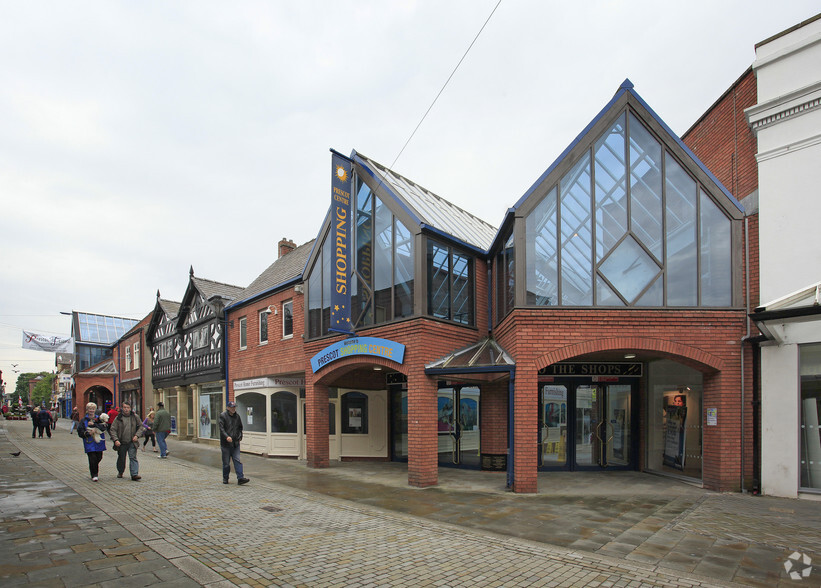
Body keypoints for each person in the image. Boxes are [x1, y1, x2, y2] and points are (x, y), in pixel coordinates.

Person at [109, 401, 145, 481]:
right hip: (122, 442)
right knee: (121, 458)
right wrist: (116, 440)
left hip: (132, 441)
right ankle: (120, 471)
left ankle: (134, 474)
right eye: (124, 407)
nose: (126, 409)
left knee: (133, 457)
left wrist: (137, 435)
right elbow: (113, 429)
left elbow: (141, 427)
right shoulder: (118, 418)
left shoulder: (135, 417)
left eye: (128, 408)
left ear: (130, 408)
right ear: (122, 408)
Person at [218, 401, 249, 485]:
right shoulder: (223, 416)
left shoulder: (237, 417)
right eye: (231, 407)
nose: (233, 409)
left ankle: (240, 478)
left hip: (235, 443)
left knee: (237, 460)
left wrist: (240, 437)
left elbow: (240, 428)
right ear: (228, 408)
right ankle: (225, 478)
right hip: (226, 444)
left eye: (234, 407)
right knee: (226, 463)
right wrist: (226, 437)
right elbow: (221, 429)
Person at [78, 402, 107, 481]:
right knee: (92, 458)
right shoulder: (84, 420)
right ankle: (94, 474)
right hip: (89, 442)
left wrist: (94, 425)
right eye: (90, 409)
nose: (91, 410)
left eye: (93, 409)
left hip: (99, 442)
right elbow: (80, 431)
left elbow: (103, 427)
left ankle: (93, 467)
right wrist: (87, 433)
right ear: (87, 410)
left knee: (99, 457)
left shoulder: (99, 418)